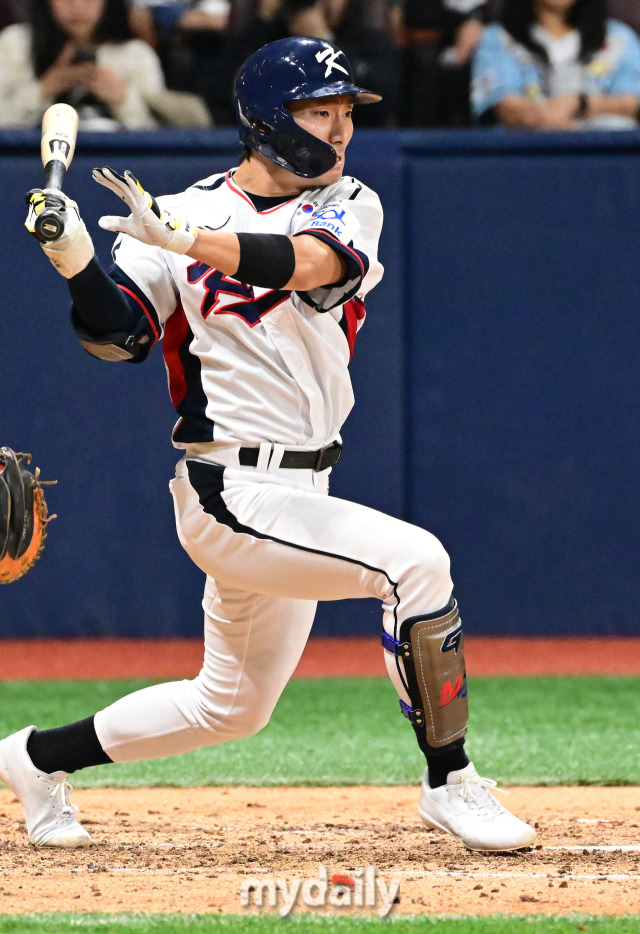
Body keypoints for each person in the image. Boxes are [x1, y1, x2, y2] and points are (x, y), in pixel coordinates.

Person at [0, 36, 536, 854]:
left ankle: (35, 760)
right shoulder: (172, 215)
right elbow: (121, 339)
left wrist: (183, 239)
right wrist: (74, 259)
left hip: (302, 488)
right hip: (229, 491)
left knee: (233, 707)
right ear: (267, 119)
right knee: (417, 563)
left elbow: (308, 265)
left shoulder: (347, 201)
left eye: (345, 111)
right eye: (319, 111)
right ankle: (451, 782)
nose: (340, 128)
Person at [0, 0, 179, 129]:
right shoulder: (16, 44)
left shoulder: (136, 55)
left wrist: (123, 99)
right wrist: (43, 90)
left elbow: (160, 139)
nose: (77, 6)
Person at [471, 0, 640, 129]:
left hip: (609, 159)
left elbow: (632, 102)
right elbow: (504, 105)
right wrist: (543, 118)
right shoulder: (498, 38)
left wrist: (581, 103)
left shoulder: (618, 38)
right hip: (529, 158)